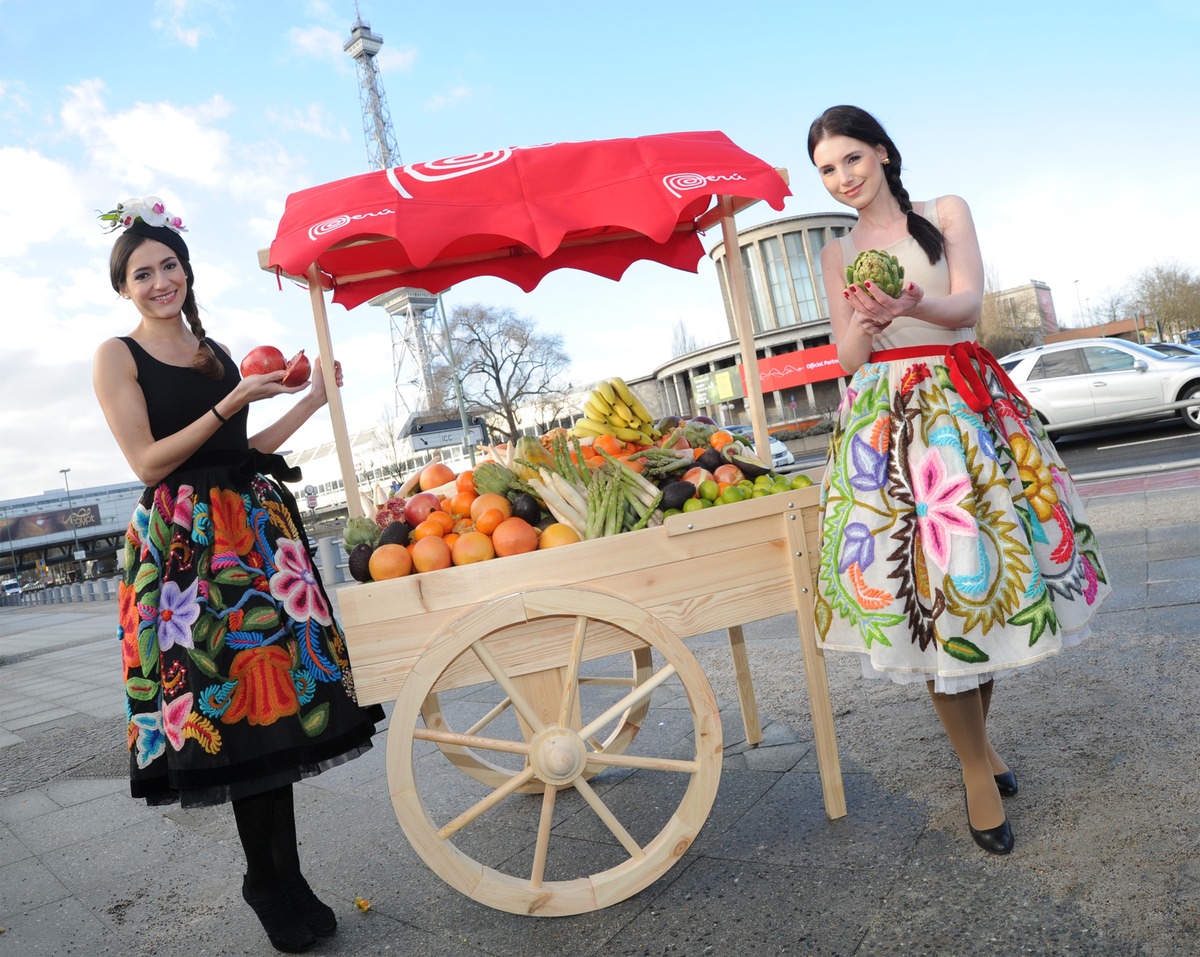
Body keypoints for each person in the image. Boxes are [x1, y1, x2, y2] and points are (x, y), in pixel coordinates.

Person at [807, 108, 1110, 855]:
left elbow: (967, 305)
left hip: (964, 409)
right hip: (885, 428)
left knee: (983, 587)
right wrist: (868, 322)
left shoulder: (944, 213)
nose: (843, 178)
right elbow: (845, 359)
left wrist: (912, 304)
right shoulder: (836, 249)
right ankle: (977, 766)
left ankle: (978, 752)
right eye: (826, 170)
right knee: (933, 600)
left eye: (851, 159)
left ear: (881, 151)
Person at [93, 197, 384, 952]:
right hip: (187, 552)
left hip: (252, 532)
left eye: (169, 266)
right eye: (142, 272)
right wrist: (233, 395)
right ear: (123, 286)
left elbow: (244, 450)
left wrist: (312, 398)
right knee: (228, 710)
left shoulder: (214, 349)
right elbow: (149, 462)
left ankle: (284, 875)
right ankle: (268, 879)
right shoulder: (117, 356)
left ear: (187, 269)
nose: (161, 281)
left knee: (276, 706)